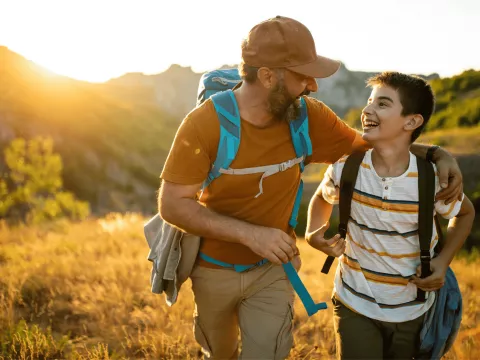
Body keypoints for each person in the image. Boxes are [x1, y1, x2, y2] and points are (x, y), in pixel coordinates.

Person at [158, 16, 463, 360]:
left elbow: (371, 145)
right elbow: (173, 205)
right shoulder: (204, 124)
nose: (313, 86)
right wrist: (251, 235)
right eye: (303, 76)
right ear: (268, 76)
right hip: (212, 269)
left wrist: (436, 153)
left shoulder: (308, 117)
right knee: (220, 352)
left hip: (272, 271)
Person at [305, 72, 475, 360]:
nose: (368, 109)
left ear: (411, 121)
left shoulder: (430, 179)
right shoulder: (347, 167)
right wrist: (312, 233)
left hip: (412, 310)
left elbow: (465, 213)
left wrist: (442, 262)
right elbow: (322, 196)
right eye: (369, 101)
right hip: (353, 302)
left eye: (382, 104)